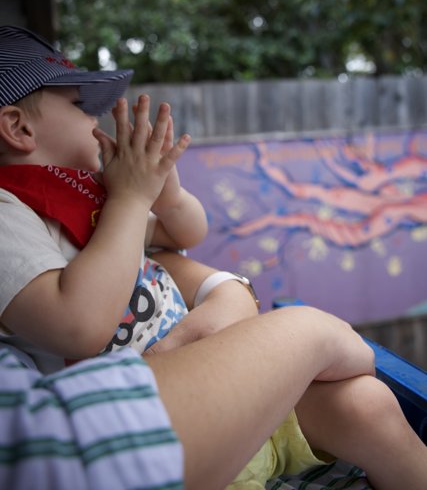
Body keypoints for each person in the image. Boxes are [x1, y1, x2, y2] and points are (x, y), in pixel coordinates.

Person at [0, 25, 426, 490]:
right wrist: (130, 200)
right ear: (19, 127)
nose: (96, 122)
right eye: (80, 106)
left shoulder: (94, 199)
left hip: (228, 386)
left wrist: (164, 193)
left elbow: (186, 231)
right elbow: (78, 325)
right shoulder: (10, 214)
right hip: (162, 434)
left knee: (370, 404)